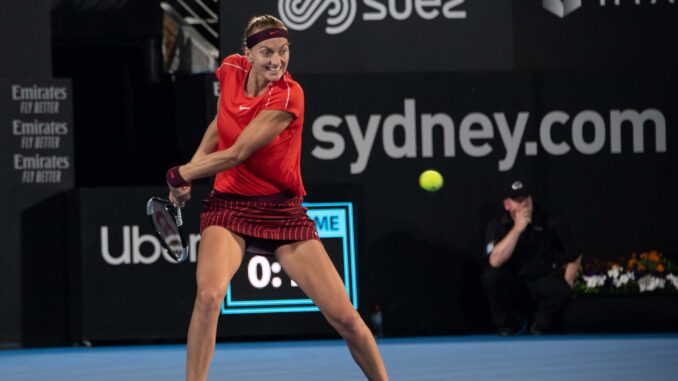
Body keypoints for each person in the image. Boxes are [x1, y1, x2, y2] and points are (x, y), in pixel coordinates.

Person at [165, 15, 389, 381]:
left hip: (282, 213)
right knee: (208, 298)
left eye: (283, 51)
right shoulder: (230, 69)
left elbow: (238, 152)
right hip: (228, 207)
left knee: (346, 318)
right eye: (266, 51)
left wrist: (181, 174)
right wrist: (193, 165)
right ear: (247, 54)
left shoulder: (289, 94)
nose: (276, 60)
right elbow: (220, 125)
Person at [482, 180, 582, 336]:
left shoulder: (549, 222)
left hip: (541, 281)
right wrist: (517, 229)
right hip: (513, 284)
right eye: (518, 201)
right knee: (491, 276)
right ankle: (507, 326)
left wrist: (567, 281)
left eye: (526, 199)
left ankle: (540, 326)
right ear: (507, 205)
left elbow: (574, 254)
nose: (524, 205)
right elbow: (495, 261)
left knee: (563, 291)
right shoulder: (496, 225)